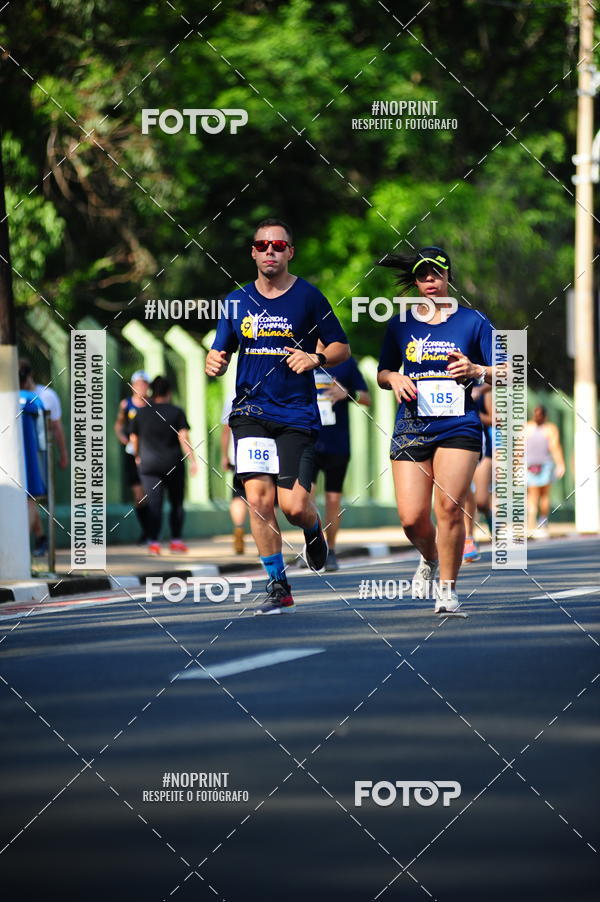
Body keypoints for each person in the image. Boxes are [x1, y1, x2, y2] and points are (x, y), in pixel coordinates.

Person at [206, 218, 350, 614]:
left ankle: (312, 528)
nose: (270, 250)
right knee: (258, 499)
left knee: (294, 506)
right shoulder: (235, 301)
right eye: (262, 245)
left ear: (290, 252)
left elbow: (341, 347)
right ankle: (277, 583)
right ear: (253, 252)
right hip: (250, 412)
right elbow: (221, 349)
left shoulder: (309, 297)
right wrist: (214, 360)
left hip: (296, 415)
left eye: (278, 245)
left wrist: (316, 357)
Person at [376, 246, 495, 614]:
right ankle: (429, 557)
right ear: (415, 281)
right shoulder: (400, 324)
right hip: (412, 425)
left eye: (436, 273)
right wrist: (393, 378)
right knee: (412, 519)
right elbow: (382, 372)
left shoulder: (474, 321)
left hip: (459, 425)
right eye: (422, 275)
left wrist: (477, 370)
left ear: (447, 276)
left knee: (449, 507)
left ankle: (447, 588)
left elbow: (510, 370)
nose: (429, 280)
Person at [311, 347, 371, 570]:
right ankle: (313, 546)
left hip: (337, 443)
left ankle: (331, 550)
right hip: (307, 440)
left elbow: (366, 398)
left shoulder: (345, 362)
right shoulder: (300, 359)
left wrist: (348, 393)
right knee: (305, 498)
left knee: (333, 500)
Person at [129, 376, 198, 554]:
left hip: (149, 466)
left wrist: (137, 456)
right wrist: (192, 460)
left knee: (154, 505)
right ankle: (176, 541)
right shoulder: (176, 411)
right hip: (173, 464)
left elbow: (134, 437)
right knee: (176, 503)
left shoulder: (141, 412)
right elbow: (183, 437)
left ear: (152, 391)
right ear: (169, 392)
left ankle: (154, 543)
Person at [114, 370, 152, 543]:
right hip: (132, 455)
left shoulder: (152, 404)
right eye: (138, 384)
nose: (141, 387)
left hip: (149, 453)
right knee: (139, 496)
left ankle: (152, 531)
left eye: (144, 384)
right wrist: (124, 439)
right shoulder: (126, 404)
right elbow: (119, 425)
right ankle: (146, 531)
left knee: (151, 493)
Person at [18, 363, 47, 557]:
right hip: (30, 456)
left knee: (29, 500)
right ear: (28, 378)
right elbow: (45, 428)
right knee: (30, 500)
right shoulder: (32, 399)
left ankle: (40, 538)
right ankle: (23, 546)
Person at [462, 384, 493, 562]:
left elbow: (495, 419)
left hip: (481, 445)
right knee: (463, 488)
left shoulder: (482, 387)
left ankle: (488, 514)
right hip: (454, 442)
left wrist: (470, 409)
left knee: (481, 500)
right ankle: (468, 538)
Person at [526, 404, 565, 537]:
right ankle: (531, 521)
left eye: (540, 415)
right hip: (530, 465)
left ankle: (542, 519)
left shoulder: (550, 429)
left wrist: (560, 464)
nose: (537, 417)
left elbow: (555, 447)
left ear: (544, 416)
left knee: (544, 494)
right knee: (533, 494)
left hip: (545, 465)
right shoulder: (527, 428)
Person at [220, 392, 249, 554]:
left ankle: (239, 529)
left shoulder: (233, 394)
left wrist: (225, 455)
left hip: (239, 454)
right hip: (265, 454)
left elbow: (226, 430)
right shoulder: (270, 388)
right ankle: (265, 538)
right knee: (265, 497)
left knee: (238, 495)